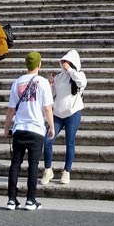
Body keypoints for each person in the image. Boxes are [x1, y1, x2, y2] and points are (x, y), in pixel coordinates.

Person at [4, 51, 55, 211]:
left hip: (19, 128)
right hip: (36, 129)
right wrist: (52, 126)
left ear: (27, 64)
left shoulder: (16, 82)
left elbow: (11, 109)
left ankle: (11, 199)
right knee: (33, 165)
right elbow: (47, 108)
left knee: (15, 164)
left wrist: (6, 127)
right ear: (39, 65)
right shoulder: (43, 82)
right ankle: (30, 200)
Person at [42, 49, 87, 186]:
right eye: (63, 62)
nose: (63, 64)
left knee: (70, 142)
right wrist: (50, 83)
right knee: (47, 140)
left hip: (73, 112)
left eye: (66, 62)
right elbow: (51, 94)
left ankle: (67, 171)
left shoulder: (79, 75)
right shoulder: (60, 77)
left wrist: (70, 70)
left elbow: (80, 82)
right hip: (57, 113)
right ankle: (48, 169)